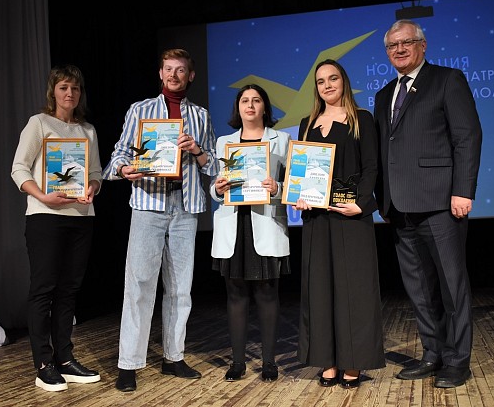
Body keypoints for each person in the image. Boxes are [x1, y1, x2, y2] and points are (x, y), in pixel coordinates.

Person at [373, 19, 483, 388]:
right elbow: (384, 152)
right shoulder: (384, 94)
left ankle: (457, 361)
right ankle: (433, 353)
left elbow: (467, 137)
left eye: (407, 42)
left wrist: (463, 191)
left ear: (423, 45)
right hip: (399, 208)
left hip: (440, 204)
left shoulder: (447, 80)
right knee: (419, 290)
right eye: (393, 46)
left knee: (452, 287)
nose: (399, 50)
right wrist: (382, 201)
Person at [103, 48, 218, 392]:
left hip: (185, 205)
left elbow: (213, 165)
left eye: (180, 70)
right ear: (160, 73)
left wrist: (197, 150)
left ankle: (173, 356)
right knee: (139, 284)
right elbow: (119, 155)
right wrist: (125, 169)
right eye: (168, 69)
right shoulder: (140, 110)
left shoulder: (200, 116)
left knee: (181, 287)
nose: (173, 75)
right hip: (148, 202)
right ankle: (129, 364)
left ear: (190, 75)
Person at [293, 59, 386, 389]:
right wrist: (299, 195)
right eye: (321, 81)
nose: (327, 85)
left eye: (333, 78)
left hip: (351, 217)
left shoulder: (362, 119)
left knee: (354, 291)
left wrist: (360, 204)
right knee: (321, 290)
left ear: (343, 81)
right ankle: (327, 361)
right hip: (318, 220)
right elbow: (301, 172)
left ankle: (354, 361)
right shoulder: (307, 124)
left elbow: (372, 167)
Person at [11, 64, 102, 392]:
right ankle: (44, 365)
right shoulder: (39, 123)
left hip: (81, 217)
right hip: (45, 216)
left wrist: (92, 187)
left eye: (75, 88)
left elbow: (96, 172)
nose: (70, 94)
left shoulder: (87, 130)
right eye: (64, 87)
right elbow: (18, 168)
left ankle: (65, 359)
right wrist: (42, 195)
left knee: (69, 290)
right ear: (54, 91)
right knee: (44, 289)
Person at [210, 84, 291, 383]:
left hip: (266, 222)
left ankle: (269, 362)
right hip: (234, 224)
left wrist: (277, 188)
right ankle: (238, 362)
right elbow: (216, 187)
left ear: (265, 107)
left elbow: (292, 184)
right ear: (238, 107)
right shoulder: (224, 142)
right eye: (245, 100)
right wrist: (217, 189)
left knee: (267, 293)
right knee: (236, 294)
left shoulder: (281, 140)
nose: (250, 105)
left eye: (257, 100)